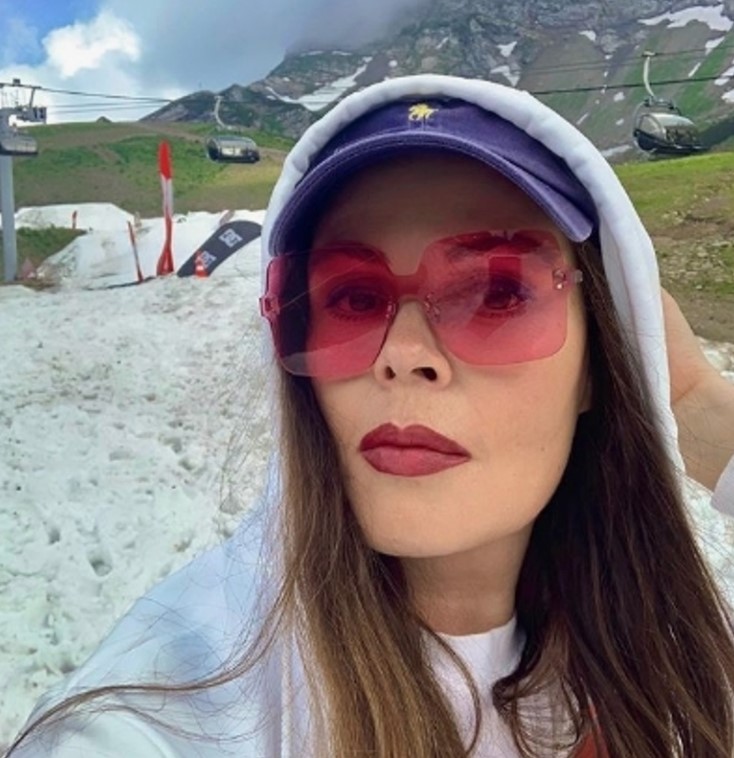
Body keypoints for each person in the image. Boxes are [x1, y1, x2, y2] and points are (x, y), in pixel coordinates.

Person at [7, 74, 734, 758]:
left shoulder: (667, 661)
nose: (403, 355)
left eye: (496, 293)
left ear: (603, 355)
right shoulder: (167, 705)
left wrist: (692, 402)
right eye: (353, 299)